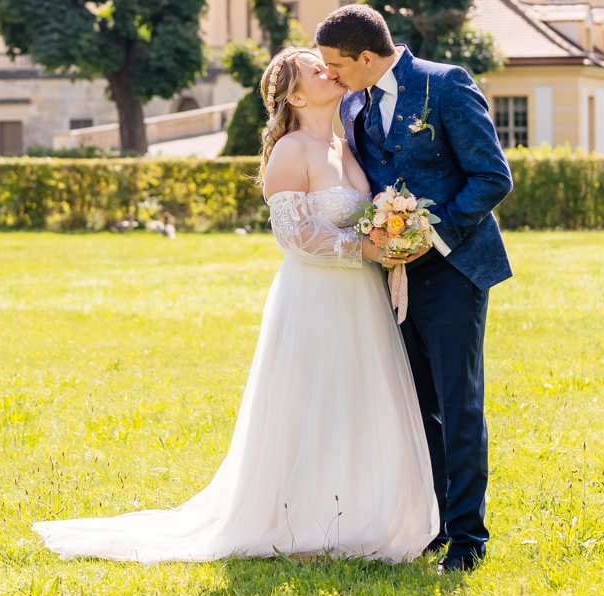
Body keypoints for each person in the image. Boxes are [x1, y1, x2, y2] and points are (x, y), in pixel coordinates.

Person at [33, 48, 439, 563]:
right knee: (313, 401)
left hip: (360, 295)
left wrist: (390, 232)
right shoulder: (292, 150)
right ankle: (301, 523)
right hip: (315, 295)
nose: (330, 71)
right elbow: (293, 236)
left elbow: (357, 217)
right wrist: (365, 247)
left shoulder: (345, 144)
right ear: (294, 95)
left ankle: (356, 515)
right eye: (317, 70)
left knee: (354, 399)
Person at [316, 5, 513, 573]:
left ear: (369, 57)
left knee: (458, 401)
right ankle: (435, 524)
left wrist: (435, 234)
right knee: (417, 403)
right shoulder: (353, 103)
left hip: (455, 269)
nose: (331, 75)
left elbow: (492, 177)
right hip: (391, 275)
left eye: (337, 65)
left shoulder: (446, 85)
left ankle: (469, 539)